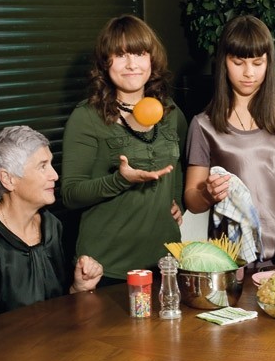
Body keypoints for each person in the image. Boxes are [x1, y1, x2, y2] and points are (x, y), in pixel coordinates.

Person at [61, 15, 187, 285]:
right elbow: (70, 194)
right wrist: (120, 180)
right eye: (120, 55)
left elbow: (178, 166)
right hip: (106, 268)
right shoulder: (86, 117)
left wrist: (179, 202)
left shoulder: (170, 112)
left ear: (152, 59)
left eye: (140, 54)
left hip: (165, 262)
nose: (132, 64)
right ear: (105, 62)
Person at [184, 15, 275, 266]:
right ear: (223, 62)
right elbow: (192, 199)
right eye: (238, 62)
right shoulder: (203, 125)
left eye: (258, 63)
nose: (249, 73)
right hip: (227, 263)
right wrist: (208, 195)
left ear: (269, 63)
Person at [0, 126, 103, 333]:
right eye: (42, 166)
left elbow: (57, 311)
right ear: (8, 179)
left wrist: (77, 288)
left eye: (51, 164)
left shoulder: (51, 225)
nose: (55, 175)